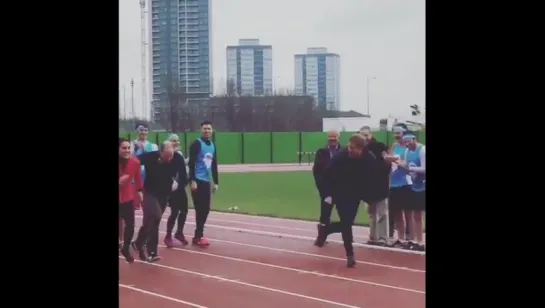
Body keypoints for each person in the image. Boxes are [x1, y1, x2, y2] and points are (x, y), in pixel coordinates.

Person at [316, 134, 382, 268]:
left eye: (353, 148)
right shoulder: (340, 157)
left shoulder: (369, 159)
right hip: (339, 192)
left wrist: (370, 199)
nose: (349, 150)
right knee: (346, 223)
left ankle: (326, 229)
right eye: (349, 147)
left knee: (348, 222)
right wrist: (327, 195)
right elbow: (326, 176)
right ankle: (350, 256)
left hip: (355, 194)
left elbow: (372, 179)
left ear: (361, 149)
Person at [131, 141, 178, 262]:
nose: (169, 159)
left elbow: (182, 173)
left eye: (171, 156)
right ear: (160, 152)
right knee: (155, 215)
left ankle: (147, 249)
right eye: (166, 156)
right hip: (150, 192)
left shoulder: (175, 159)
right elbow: (134, 162)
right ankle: (142, 245)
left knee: (153, 221)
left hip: (164, 194)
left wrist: (177, 183)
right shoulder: (150, 156)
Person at [359, 126, 397, 246]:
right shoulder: (360, 149)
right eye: (362, 135)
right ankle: (373, 236)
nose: (365, 137)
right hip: (367, 186)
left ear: (370, 134)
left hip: (380, 184)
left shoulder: (380, 146)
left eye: (366, 134)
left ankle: (383, 237)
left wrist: (384, 172)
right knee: (371, 213)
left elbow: (387, 161)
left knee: (382, 212)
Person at [188, 121, 219, 248]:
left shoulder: (212, 145)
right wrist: (192, 180)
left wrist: (216, 182)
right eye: (205, 129)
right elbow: (191, 163)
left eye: (209, 129)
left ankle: (198, 234)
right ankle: (198, 236)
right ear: (201, 130)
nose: (207, 131)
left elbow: (214, 165)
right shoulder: (196, 144)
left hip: (206, 181)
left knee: (205, 209)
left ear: (212, 130)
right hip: (197, 181)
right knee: (200, 209)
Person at [312, 130, 342, 246]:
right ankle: (321, 237)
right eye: (330, 139)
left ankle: (347, 236)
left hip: (341, 190)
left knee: (345, 215)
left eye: (334, 138)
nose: (332, 141)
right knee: (324, 215)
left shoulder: (343, 151)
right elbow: (317, 172)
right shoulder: (321, 152)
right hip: (327, 190)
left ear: (338, 138)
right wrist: (323, 191)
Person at [385, 123, 413, 248]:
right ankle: (400, 238)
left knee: (408, 212)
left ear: (404, 133)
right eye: (395, 133)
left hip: (406, 183)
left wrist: (397, 161)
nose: (396, 136)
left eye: (398, 133)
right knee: (396, 212)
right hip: (394, 183)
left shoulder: (409, 148)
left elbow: (410, 167)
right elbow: (389, 162)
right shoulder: (394, 146)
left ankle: (411, 238)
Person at [397, 131, 426, 251]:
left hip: (423, 185)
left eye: (409, 140)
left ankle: (420, 241)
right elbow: (408, 168)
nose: (407, 143)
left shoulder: (422, 150)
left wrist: (410, 168)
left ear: (414, 139)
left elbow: (424, 169)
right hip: (414, 186)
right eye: (405, 141)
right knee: (416, 214)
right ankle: (418, 241)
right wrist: (399, 164)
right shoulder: (407, 151)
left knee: (419, 214)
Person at [119, 138, 143, 263]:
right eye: (124, 148)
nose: (127, 150)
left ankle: (126, 248)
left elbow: (138, 179)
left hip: (127, 198)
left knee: (130, 226)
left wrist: (140, 193)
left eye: (129, 148)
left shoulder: (135, 162)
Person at [163, 134, 190, 247]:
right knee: (174, 212)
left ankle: (179, 232)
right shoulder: (165, 157)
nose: (176, 143)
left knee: (184, 210)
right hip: (170, 189)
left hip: (180, 187)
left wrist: (182, 183)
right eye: (173, 141)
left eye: (177, 141)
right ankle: (168, 235)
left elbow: (183, 172)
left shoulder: (179, 156)